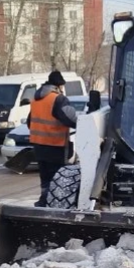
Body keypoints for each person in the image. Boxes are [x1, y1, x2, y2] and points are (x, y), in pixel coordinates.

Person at [27, 71, 78, 207]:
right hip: (55, 145)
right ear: (59, 85)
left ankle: (43, 201)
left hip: (39, 146)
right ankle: (52, 203)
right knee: (57, 177)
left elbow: (30, 122)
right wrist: (84, 123)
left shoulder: (36, 99)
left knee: (45, 177)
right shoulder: (58, 99)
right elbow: (70, 119)